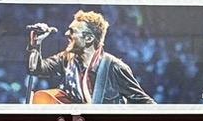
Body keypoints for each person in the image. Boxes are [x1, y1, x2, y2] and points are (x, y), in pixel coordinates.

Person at [25, 9, 154, 105]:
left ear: (89, 38)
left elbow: (145, 103)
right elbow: (34, 69)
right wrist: (35, 44)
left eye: (72, 31)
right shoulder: (67, 59)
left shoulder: (114, 67)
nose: (66, 34)